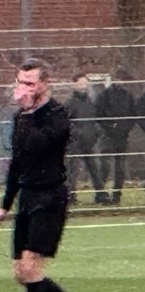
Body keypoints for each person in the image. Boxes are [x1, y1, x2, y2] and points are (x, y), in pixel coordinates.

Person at [0, 59, 103, 292]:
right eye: (20, 82)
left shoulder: (56, 115)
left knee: (30, 270)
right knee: (21, 273)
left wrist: (30, 112)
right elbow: (18, 163)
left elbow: (40, 145)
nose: (23, 88)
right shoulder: (20, 118)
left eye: (30, 83)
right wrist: (3, 206)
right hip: (28, 197)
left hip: (50, 198)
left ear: (44, 84)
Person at [93, 69, 133, 205]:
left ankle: (116, 195)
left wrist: (125, 128)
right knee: (104, 165)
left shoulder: (127, 96)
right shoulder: (104, 95)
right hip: (107, 135)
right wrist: (109, 127)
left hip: (122, 136)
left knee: (119, 167)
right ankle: (100, 194)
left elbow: (132, 115)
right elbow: (98, 116)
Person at [64, 74, 103, 204]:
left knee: (95, 169)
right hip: (75, 142)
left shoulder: (90, 101)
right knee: (72, 170)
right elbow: (65, 122)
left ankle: (100, 195)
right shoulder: (70, 103)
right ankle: (71, 196)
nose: (84, 87)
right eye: (81, 84)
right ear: (74, 85)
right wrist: (75, 134)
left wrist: (96, 132)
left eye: (85, 84)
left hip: (90, 141)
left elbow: (95, 119)